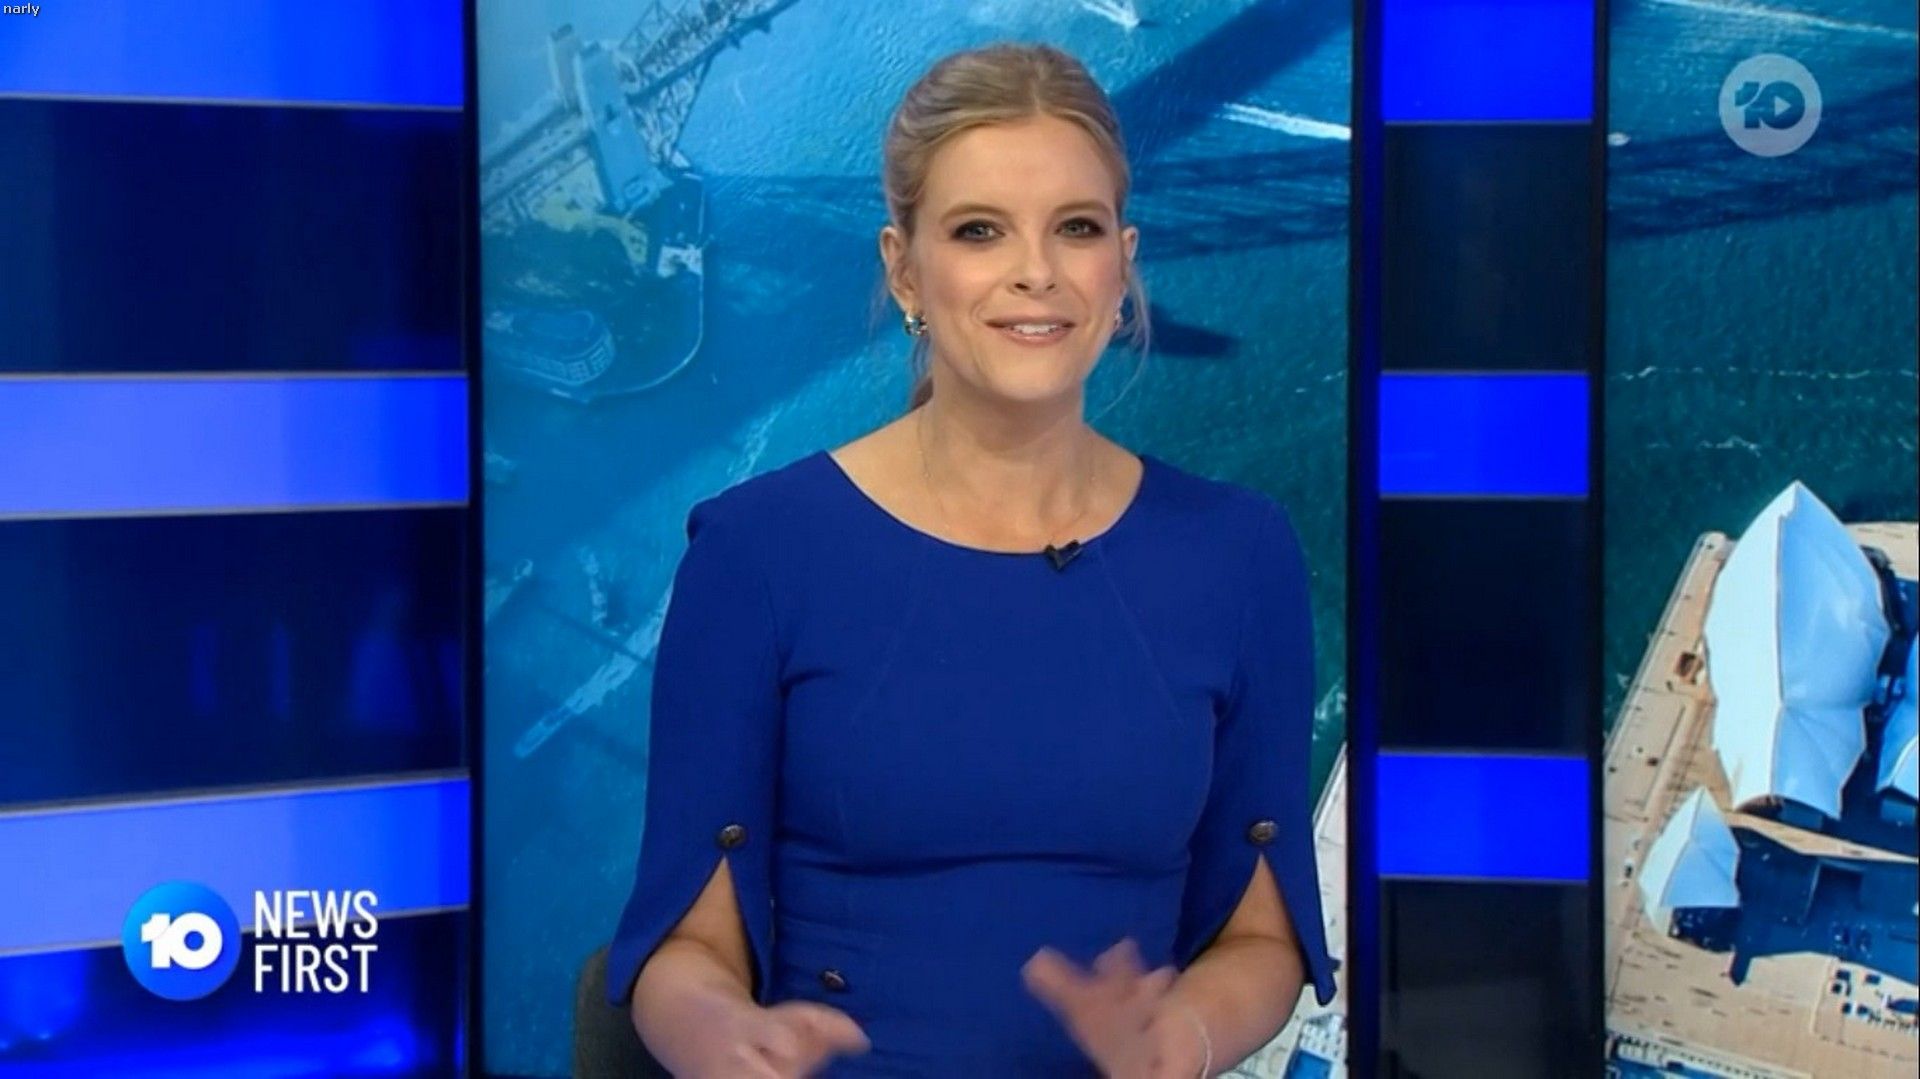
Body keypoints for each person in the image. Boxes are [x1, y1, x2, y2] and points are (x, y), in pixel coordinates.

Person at [606, 42, 1335, 1077]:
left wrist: (1182, 1036)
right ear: (904, 267)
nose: (1037, 271)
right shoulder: (755, 552)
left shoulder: (1239, 553)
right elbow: (689, 944)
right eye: (979, 230)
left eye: (1076, 228)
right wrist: (723, 1039)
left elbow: (1262, 934)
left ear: (1122, 262)